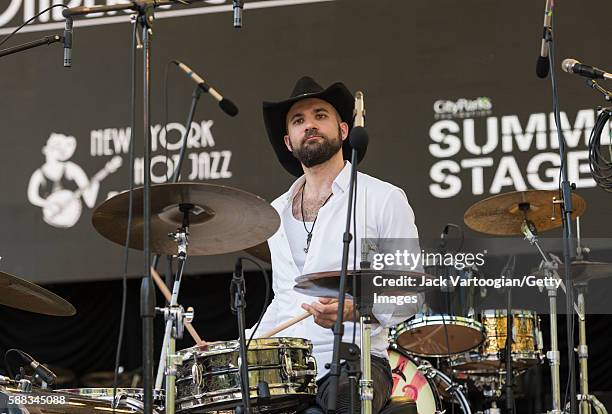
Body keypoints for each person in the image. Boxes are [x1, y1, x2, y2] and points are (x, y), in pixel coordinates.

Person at [248, 76, 421, 413]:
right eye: (298, 121)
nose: (309, 125)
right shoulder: (275, 213)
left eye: (320, 115)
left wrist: (357, 310)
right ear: (288, 142)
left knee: (345, 400)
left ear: (343, 131)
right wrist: (238, 346)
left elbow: (408, 295)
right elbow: (284, 301)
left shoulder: (382, 198)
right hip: (290, 368)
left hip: (357, 361)